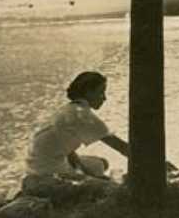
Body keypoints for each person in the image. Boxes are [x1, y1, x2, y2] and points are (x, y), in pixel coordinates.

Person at [20, 71, 130, 205]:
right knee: (114, 190)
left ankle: (86, 180)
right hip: (47, 176)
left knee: (101, 163)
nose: (104, 98)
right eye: (101, 92)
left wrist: (87, 173)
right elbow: (121, 147)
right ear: (89, 92)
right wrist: (155, 163)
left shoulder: (68, 110)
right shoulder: (82, 115)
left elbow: (68, 151)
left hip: (36, 168)